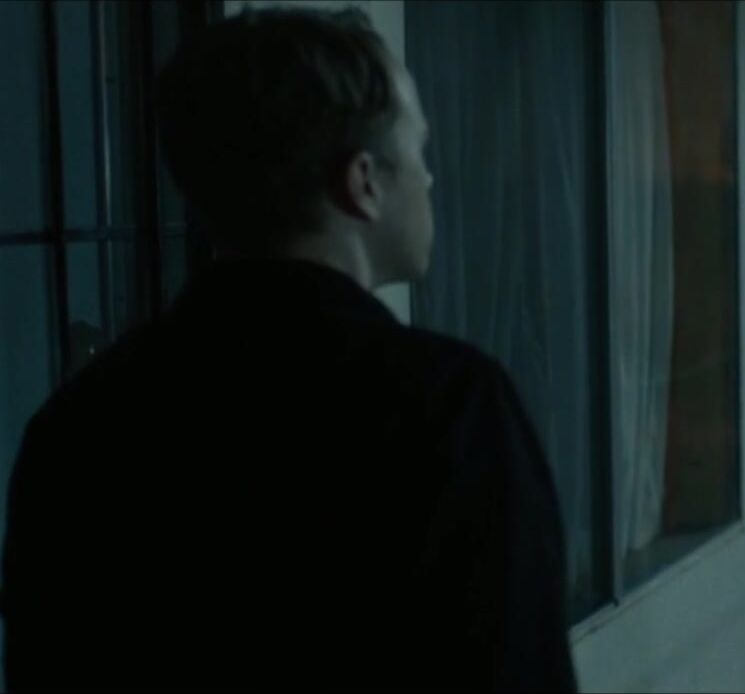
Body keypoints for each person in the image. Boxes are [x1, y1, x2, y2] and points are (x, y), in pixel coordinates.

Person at [1, 7, 577, 692]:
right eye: (419, 152)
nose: (429, 179)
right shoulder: (449, 410)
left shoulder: (74, 429)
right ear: (363, 182)